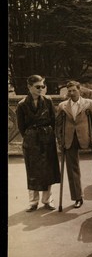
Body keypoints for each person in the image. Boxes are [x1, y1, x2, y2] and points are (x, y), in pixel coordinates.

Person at [16, 75, 60, 212]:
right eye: (37, 87)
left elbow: (53, 120)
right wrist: (30, 137)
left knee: (48, 169)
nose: (41, 89)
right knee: (32, 170)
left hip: (47, 138)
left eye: (42, 86)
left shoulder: (48, 101)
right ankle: (33, 202)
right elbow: (21, 126)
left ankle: (47, 200)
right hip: (31, 140)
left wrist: (51, 136)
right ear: (29, 87)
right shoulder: (22, 104)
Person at [55, 81, 92, 208]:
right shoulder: (62, 106)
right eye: (69, 91)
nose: (71, 93)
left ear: (79, 90)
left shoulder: (89, 103)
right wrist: (60, 141)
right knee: (72, 169)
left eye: (74, 90)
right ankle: (77, 197)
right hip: (69, 140)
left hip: (86, 138)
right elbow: (58, 125)